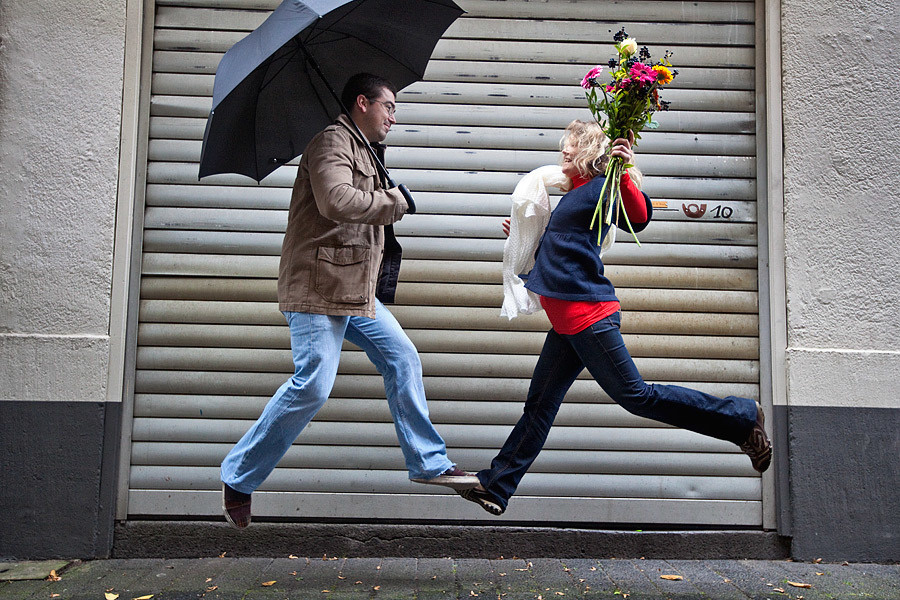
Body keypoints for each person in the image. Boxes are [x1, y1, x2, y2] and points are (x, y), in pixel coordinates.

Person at [459, 120, 772, 515]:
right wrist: (525, 232)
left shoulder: (599, 188)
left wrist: (623, 172)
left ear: (590, 151)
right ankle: (496, 485)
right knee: (538, 406)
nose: (564, 153)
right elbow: (559, 251)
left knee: (636, 396)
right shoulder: (571, 195)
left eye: (571, 146)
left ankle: (743, 417)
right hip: (566, 325)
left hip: (588, 316)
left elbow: (639, 217)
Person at [221, 73, 477, 529]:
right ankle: (239, 477)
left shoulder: (363, 148)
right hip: (318, 287)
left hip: (353, 288)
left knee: (403, 358)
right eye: (389, 107)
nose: (394, 117)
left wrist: (387, 195)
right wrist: (392, 202)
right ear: (362, 102)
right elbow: (336, 199)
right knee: (314, 384)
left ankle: (429, 462)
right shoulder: (329, 141)